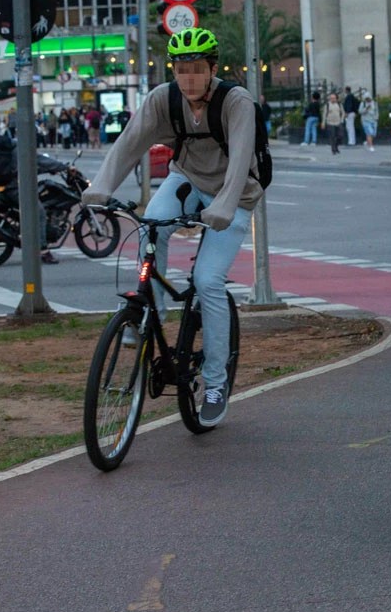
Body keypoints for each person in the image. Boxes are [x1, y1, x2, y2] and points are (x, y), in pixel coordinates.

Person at [82, 27, 261, 428]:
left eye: (197, 69)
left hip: (235, 194)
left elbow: (240, 162)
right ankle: (150, 313)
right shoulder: (163, 99)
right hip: (187, 180)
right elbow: (129, 143)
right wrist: (101, 188)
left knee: (208, 280)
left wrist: (225, 207)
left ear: (213, 69)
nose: (189, 78)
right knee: (150, 226)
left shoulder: (236, 102)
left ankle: (215, 384)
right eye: (181, 69)